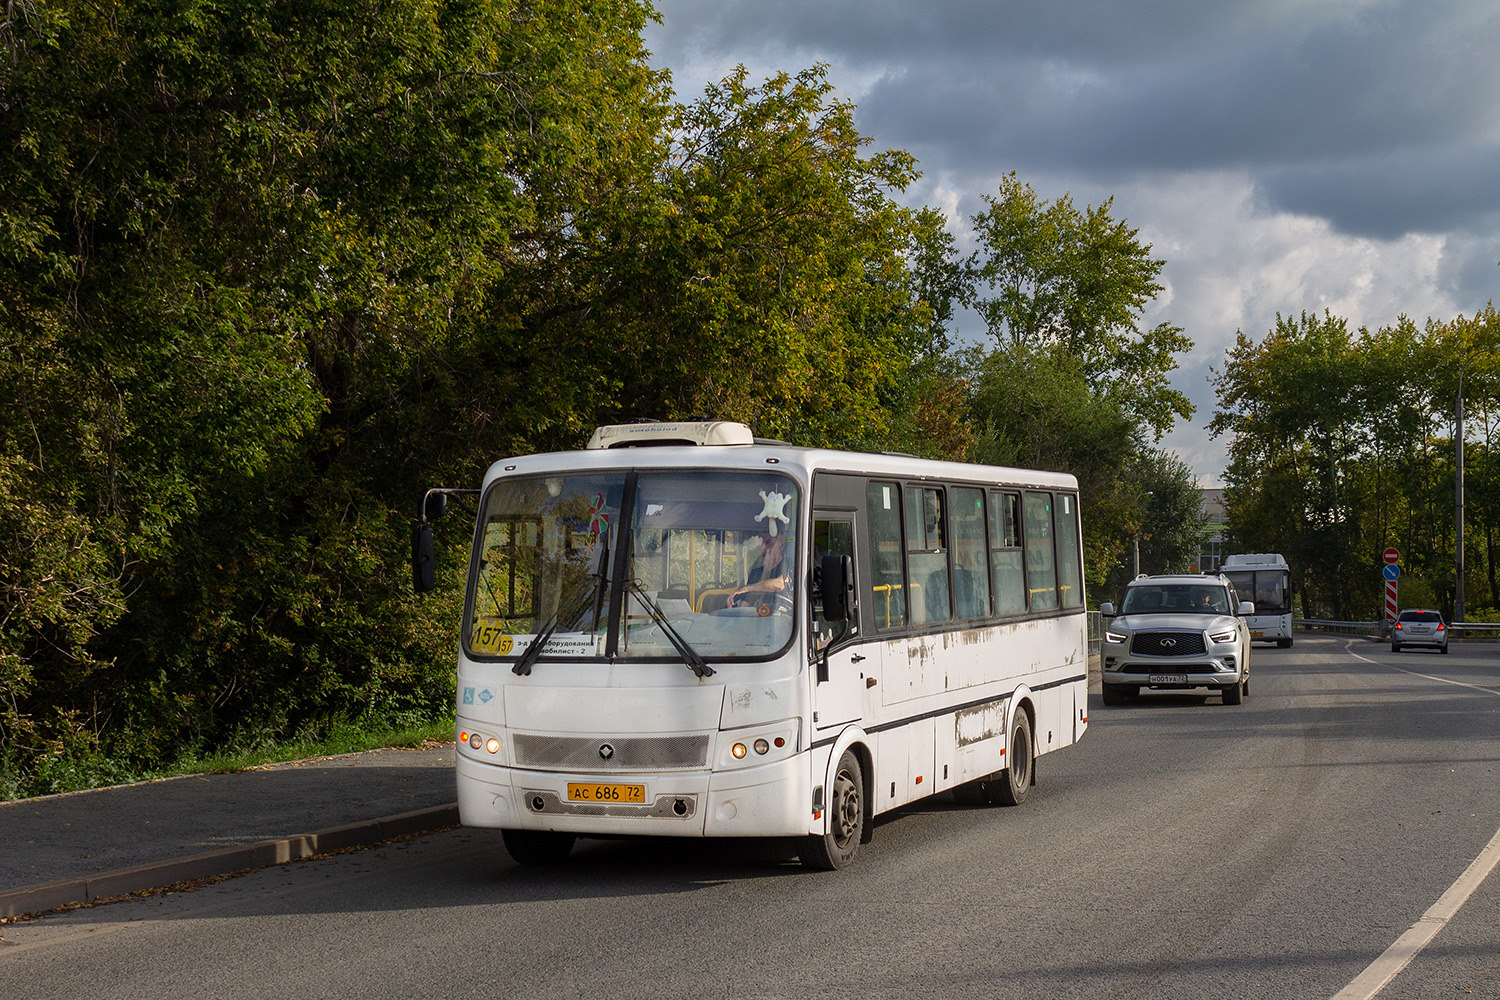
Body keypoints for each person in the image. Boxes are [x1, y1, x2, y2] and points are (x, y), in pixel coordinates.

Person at [730, 531, 789, 607]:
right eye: (760, 543)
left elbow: (780, 584)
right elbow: (745, 604)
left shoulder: (789, 566)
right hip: (758, 617)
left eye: (769, 543)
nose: (763, 547)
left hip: (786, 616)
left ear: (781, 545)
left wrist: (748, 589)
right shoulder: (756, 573)